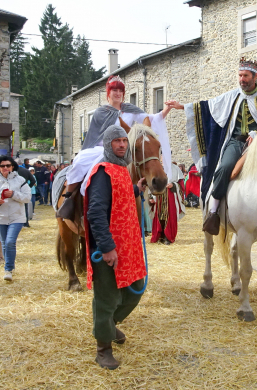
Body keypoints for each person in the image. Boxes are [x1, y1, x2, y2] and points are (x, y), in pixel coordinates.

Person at [165, 58, 257, 235]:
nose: (242, 79)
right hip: (236, 142)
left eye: (246, 76)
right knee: (224, 168)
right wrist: (182, 107)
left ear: (255, 76)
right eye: (240, 75)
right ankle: (214, 212)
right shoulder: (232, 96)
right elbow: (208, 107)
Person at [83, 126, 148, 370]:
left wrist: (136, 190)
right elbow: (96, 212)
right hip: (110, 250)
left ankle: (109, 325)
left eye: (124, 141)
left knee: (136, 289)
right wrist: (107, 247)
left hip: (129, 248)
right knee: (107, 298)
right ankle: (103, 348)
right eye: (117, 141)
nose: (121, 145)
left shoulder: (121, 169)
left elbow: (119, 195)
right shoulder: (102, 172)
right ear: (108, 144)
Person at [64, 75, 174, 199]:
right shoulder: (100, 112)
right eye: (114, 90)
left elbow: (150, 119)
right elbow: (97, 135)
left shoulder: (131, 110)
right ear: (108, 93)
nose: (118, 93)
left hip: (125, 149)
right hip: (101, 149)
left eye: (120, 91)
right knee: (79, 162)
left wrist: (166, 110)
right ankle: (69, 197)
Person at [0, 156, 31, 281]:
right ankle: (10, 266)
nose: (5, 168)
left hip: (16, 216)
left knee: (10, 242)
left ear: (12, 166)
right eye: (2, 166)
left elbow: (27, 197)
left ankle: (8, 269)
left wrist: (13, 194)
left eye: (8, 165)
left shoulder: (20, 180)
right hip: (0, 217)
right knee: (4, 243)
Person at [150, 161, 185, 244]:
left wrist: (173, 185)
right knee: (159, 215)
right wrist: (151, 196)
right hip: (158, 196)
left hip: (170, 196)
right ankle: (160, 235)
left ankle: (168, 237)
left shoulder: (175, 168)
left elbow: (181, 184)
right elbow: (150, 183)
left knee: (169, 215)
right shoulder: (155, 167)